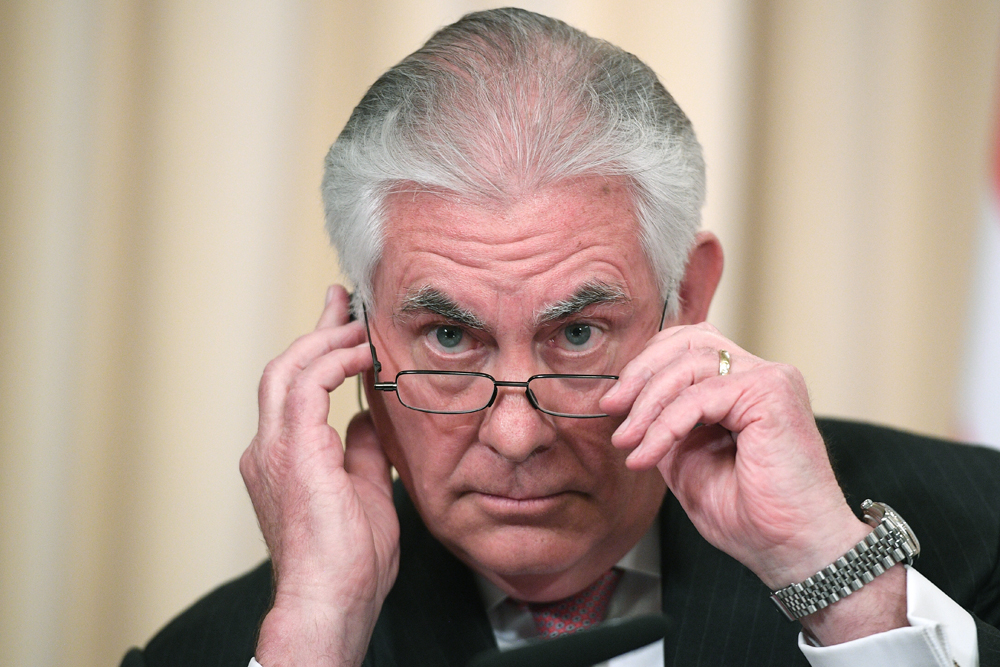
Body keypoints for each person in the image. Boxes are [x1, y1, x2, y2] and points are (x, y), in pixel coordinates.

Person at [121, 8, 1000, 667]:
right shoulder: (222, 650)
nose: (515, 435)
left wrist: (845, 591)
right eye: (448, 336)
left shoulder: (977, 534)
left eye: (578, 332)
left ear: (687, 297)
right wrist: (319, 629)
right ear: (358, 337)